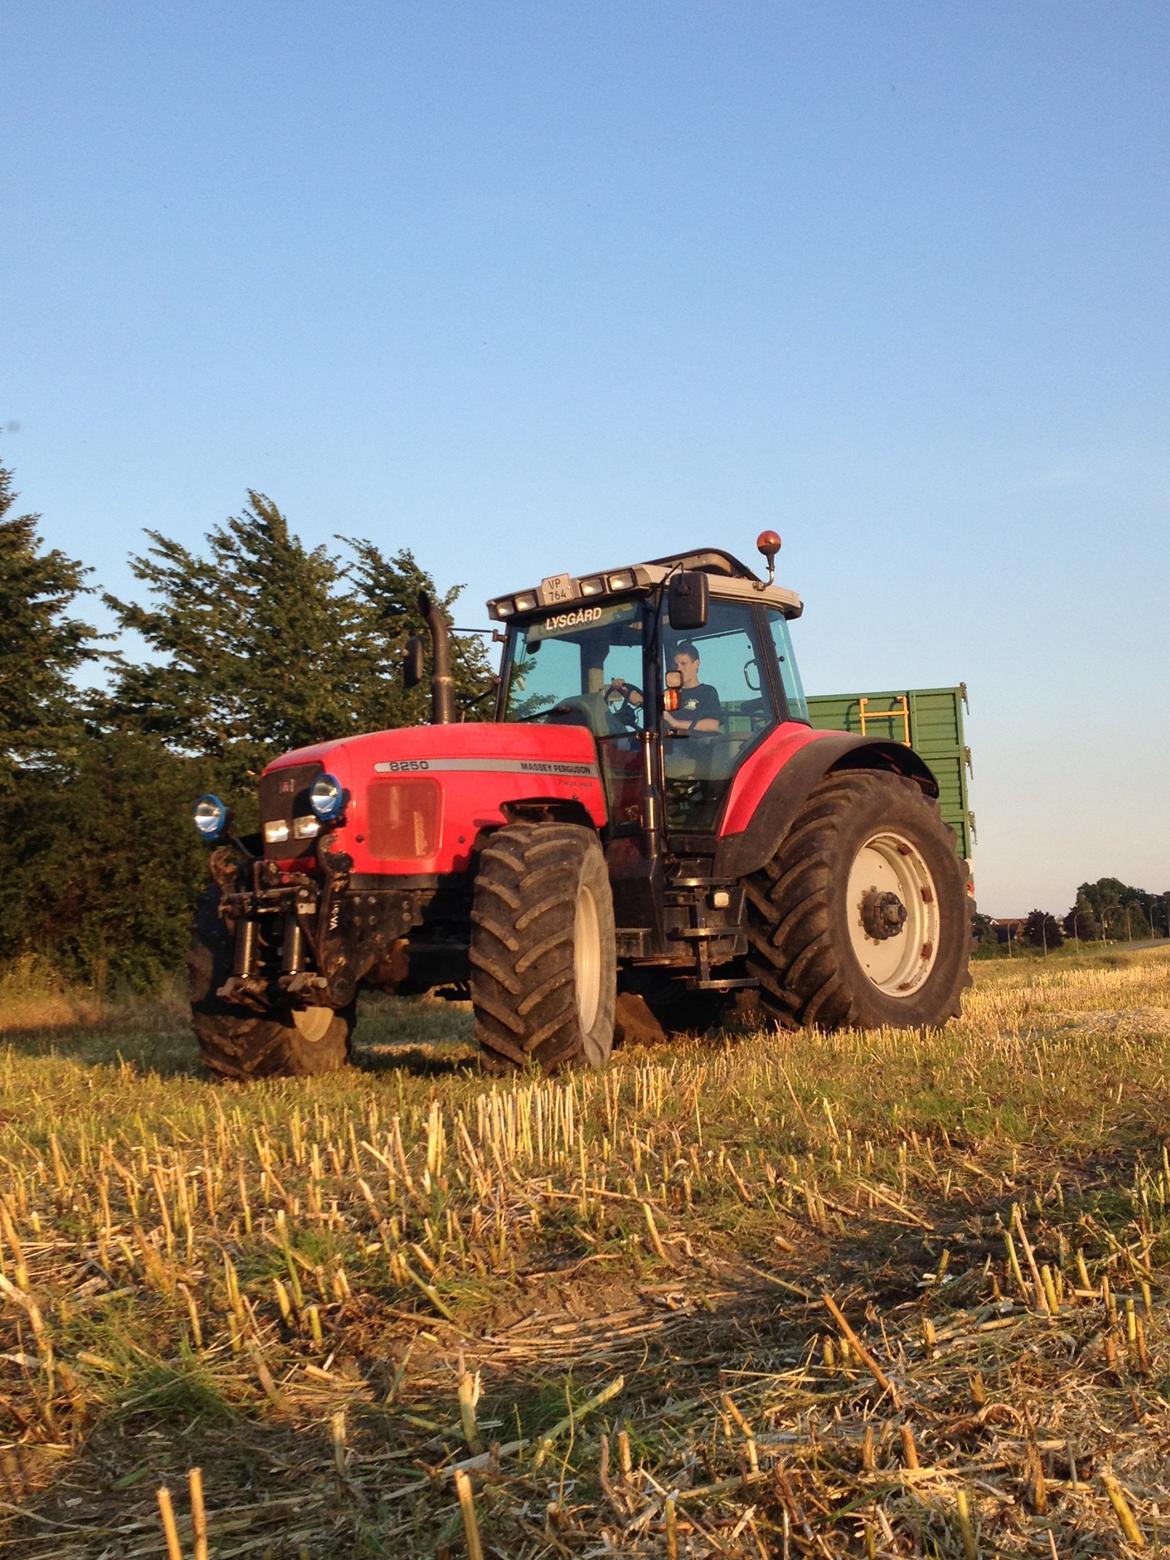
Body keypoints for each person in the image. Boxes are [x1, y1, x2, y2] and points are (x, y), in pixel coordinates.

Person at [607, 640, 722, 733]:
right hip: (666, 747)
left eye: (684, 664)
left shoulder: (707, 692)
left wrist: (675, 723)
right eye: (676, 664)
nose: (679, 669)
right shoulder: (668, 694)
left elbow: (713, 725)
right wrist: (623, 690)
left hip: (693, 748)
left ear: (696, 664)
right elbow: (641, 700)